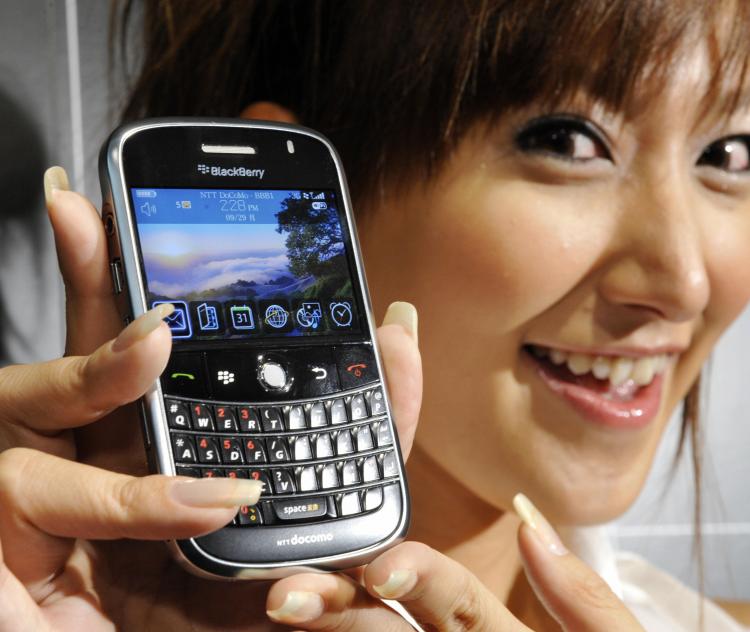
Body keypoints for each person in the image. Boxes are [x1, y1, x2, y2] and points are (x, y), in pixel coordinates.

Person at [0, 0, 749, 630]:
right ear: (318, 194)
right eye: (566, 139)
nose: (684, 281)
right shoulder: (80, 596)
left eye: (730, 154)